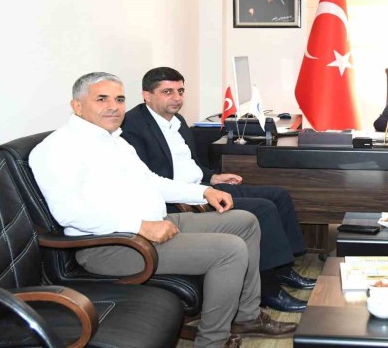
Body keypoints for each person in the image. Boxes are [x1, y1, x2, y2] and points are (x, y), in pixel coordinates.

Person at [29, 72, 297, 348]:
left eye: (119, 99)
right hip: (112, 244)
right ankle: (212, 342)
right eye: (102, 99)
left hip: (155, 222)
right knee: (230, 250)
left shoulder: (114, 140)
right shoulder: (57, 149)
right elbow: (69, 213)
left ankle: (246, 315)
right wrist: (140, 226)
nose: (114, 107)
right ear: (77, 106)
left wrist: (204, 191)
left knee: (245, 221)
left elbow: (152, 181)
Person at [120, 67, 314, 313]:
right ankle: (268, 290)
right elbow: (152, 181)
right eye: (167, 92)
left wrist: (213, 177)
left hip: (202, 186)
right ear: (147, 95)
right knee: (263, 209)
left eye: (180, 91)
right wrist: (203, 190)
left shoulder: (177, 121)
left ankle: (283, 268)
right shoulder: (132, 127)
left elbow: (189, 164)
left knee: (279, 195)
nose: (177, 98)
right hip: (183, 199)